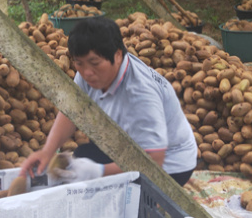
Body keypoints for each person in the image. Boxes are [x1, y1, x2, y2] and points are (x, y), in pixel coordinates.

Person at [21, 17, 197, 186]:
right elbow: (72, 110)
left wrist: (99, 171)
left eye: (95, 63)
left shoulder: (140, 94)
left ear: (118, 55)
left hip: (171, 165)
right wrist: (47, 151)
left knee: (110, 185)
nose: (86, 72)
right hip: (128, 146)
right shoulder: (88, 72)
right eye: (79, 63)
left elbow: (154, 161)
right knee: (83, 155)